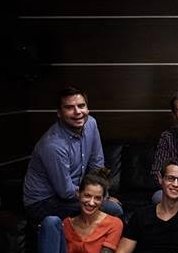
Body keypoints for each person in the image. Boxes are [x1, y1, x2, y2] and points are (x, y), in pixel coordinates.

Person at [23, 87, 123, 222]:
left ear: (87, 108)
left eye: (81, 106)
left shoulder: (91, 124)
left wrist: (103, 194)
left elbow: (96, 164)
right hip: (43, 202)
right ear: (59, 113)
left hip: (74, 194)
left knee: (111, 208)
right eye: (69, 108)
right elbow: (66, 192)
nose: (77, 112)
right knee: (113, 210)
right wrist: (99, 198)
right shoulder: (53, 145)